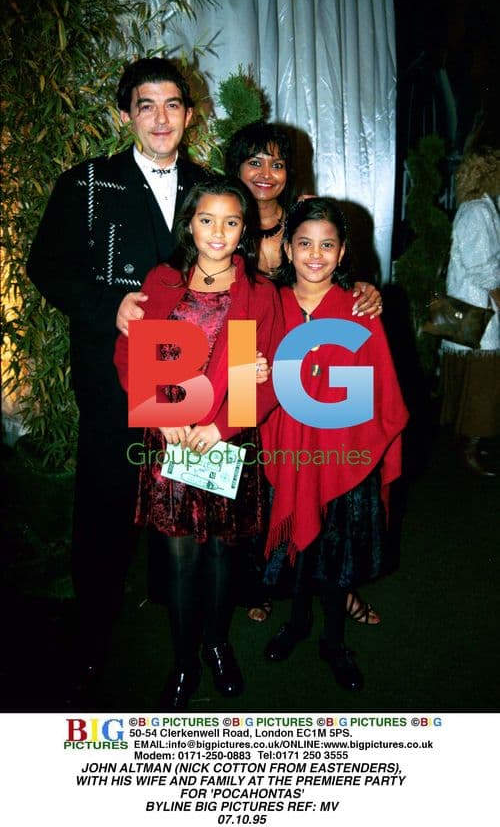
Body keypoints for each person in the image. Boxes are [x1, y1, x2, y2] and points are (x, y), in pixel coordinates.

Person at [26, 57, 209, 687]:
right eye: (146, 105)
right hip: (113, 379)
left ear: (189, 113)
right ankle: (94, 634)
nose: (160, 118)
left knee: (192, 504)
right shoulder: (86, 184)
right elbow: (45, 266)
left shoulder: (210, 187)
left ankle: (199, 639)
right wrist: (111, 305)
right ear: (127, 113)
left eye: (172, 105)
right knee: (104, 506)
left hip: (195, 384)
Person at [114, 177, 284, 709]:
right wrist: (163, 419)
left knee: (220, 558)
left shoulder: (258, 292)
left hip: (222, 442)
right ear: (190, 222)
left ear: (245, 230)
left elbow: (270, 373)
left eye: (231, 222)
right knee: (181, 557)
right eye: (207, 220)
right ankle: (184, 662)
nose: (218, 232)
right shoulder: (163, 282)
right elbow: (128, 357)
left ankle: (217, 644)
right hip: (170, 440)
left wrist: (221, 430)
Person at [225, 122, 384, 624]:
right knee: (255, 481)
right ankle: (266, 582)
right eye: (254, 161)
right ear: (235, 169)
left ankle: (339, 589)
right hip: (244, 356)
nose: (266, 173)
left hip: (306, 367)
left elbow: (332, 266)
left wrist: (364, 290)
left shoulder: (304, 216)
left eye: (277, 162)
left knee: (324, 467)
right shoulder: (223, 216)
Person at [259, 198, 408, 691]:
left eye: (327, 245)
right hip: (286, 447)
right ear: (288, 247)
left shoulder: (358, 310)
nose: (315, 255)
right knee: (302, 547)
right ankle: (298, 622)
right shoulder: (268, 303)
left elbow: (379, 391)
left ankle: (334, 639)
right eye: (304, 243)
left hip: (345, 453)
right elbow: (243, 376)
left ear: (343, 252)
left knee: (336, 549)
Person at [440, 146, 500, 476]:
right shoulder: (478, 210)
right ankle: (470, 448)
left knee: (474, 383)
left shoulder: (480, 206)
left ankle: (469, 442)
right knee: (482, 384)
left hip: (473, 309)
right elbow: (484, 267)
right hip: (478, 312)